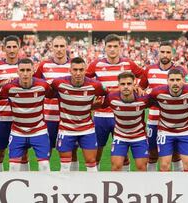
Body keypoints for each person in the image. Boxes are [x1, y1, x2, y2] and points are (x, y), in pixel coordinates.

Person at [86, 34, 144, 171]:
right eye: (109, 46)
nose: (112, 49)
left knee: (123, 155)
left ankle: (126, 183)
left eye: (115, 46)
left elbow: (144, 75)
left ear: (120, 48)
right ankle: (96, 183)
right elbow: (85, 81)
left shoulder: (128, 64)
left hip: (122, 115)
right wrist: (92, 95)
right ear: (104, 48)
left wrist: (139, 86)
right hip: (101, 116)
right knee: (96, 153)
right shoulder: (96, 64)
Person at [0, 58, 52, 171]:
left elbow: (55, 94)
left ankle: (43, 188)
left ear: (33, 71)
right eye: (22, 70)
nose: (25, 73)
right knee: (13, 167)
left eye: (28, 70)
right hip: (18, 131)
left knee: (44, 165)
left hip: (39, 130)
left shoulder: (43, 86)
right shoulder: (9, 87)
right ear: (17, 71)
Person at [139, 41, 188, 171]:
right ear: (158, 53)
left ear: (172, 54)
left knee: (176, 155)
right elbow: (140, 88)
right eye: (162, 52)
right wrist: (143, 92)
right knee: (152, 154)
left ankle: (177, 185)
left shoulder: (180, 71)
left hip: (174, 120)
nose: (165, 54)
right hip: (154, 120)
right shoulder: (149, 70)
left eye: (168, 52)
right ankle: (152, 186)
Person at [51, 57, 106, 172]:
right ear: (70, 70)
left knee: (91, 162)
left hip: (87, 129)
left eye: (81, 70)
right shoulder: (58, 83)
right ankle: (66, 189)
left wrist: (96, 105)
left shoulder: (95, 85)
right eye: (75, 70)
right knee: (65, 165)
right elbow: (45, 89)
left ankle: (92, 189)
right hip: (66, 129)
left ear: (85, 70)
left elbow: (107, 95)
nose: (78, 73)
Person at [34, 36, 80, 171]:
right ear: (51, 47)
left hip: (68, 118)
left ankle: (72, 183)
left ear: (66, 47)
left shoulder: (74, 66)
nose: (59, 49)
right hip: (48, 117)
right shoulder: (44, 65)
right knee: (45, 152)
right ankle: (46, 184)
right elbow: (35, 85)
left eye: (62, 46)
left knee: (72, 153)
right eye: (56, 46)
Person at [0, 35, 28, 171]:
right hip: (2, 116)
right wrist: (2, 85)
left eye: (14, 47)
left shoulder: (26, 65)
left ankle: (26, 186)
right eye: (8, 47)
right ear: (4, 48)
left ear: (19, 48)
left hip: (22, 117)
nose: (11, 50)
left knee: (23, 154)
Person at [149, 68, 188, 171]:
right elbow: (143, 99)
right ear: (167, 81)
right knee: (164, 165)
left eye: (178, 80)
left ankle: (185, 187)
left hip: (185, 130)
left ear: (183, 80)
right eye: (172, 80)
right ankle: (164, 187)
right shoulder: (157, 92)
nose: (175, 83)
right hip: (165, 130)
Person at [102, 72, 151, 171]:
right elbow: (98, 105)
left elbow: (160, 103)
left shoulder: (144, 98)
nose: (126, 87)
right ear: (118, 85)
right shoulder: (111, 98)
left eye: (129, 84)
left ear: (134, 85)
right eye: (123, 84)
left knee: (142, 168)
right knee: (116, 167)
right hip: (120, 136)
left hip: (139, 136)